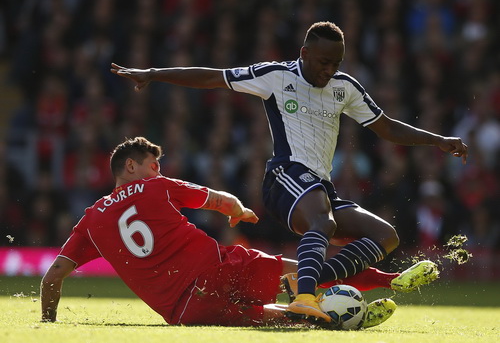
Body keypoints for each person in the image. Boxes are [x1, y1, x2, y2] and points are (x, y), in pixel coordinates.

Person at [110, 21, 465, 323]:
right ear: (304, 53)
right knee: (322, 223)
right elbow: (213, 77)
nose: (329, 71)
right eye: (324, 62)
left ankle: (306, 283)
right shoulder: (276, 76)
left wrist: (439, 140)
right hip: (284, 177)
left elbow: (386, 127)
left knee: (386, 235)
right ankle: (306, 297)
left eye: (336, 63)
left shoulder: (345, 87)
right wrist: (154, 74)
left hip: (320, 189)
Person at [41, 136, 400, 328]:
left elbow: (53, 276)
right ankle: (385, 280)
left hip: (186, 311)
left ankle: (337, 317)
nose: (157, 170)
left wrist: (48, 321)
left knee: (283, 318)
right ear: (131, 166)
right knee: (302, 272)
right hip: (219, 269)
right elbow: (220, 200)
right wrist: (239, 211)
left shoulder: (90, 219)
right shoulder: (158, 186)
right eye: (153, 165)